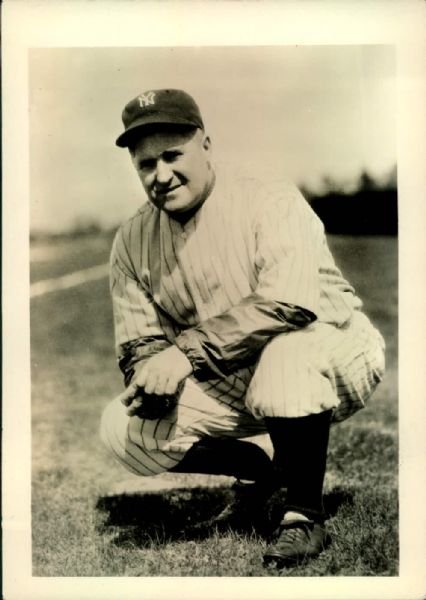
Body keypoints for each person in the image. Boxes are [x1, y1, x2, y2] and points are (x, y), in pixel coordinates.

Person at [100, 88, 385, 568]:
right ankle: (264, 465)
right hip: (232, 375)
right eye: (146, 164)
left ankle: (303, 515)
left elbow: (289, 305)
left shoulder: (267, 197)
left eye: (173, 155)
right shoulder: (131, 240)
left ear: (205, 144)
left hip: (335, 347)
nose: (161, 175)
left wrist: (182, 355)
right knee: (122, 428)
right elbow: (139, 342)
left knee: (286, 356)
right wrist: (149, 375)